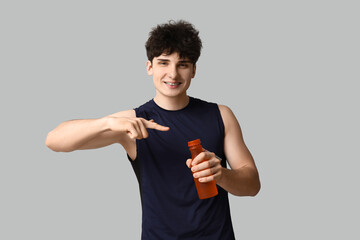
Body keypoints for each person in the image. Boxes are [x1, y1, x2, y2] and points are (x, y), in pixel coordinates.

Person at [46, 20, 260, 240]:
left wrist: (221, 174)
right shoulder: (133, 122)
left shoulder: (220, 115)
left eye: (183, 64)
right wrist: (108, 122)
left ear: (194, 70)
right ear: (149, 67)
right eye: (164, 63)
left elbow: (252, 185)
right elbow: (54, 140)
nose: (173, 74)